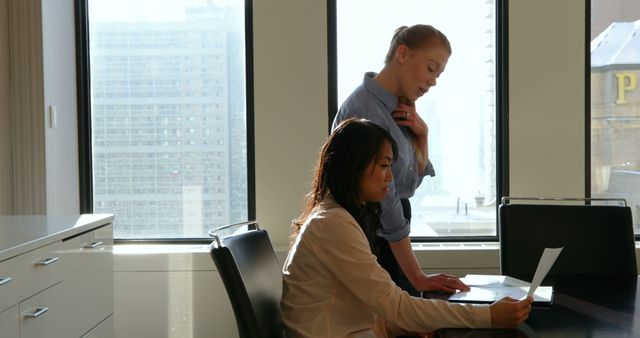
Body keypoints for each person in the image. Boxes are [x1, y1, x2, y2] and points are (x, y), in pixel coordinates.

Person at [281, 118, 532, 337]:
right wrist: (487, 317)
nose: (389, 177)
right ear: (354, 165)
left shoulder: (334, 218)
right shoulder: (332, 224)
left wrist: (398, 327)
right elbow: (396, 306)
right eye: (383, 165)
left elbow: (362, 306)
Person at [332, 24, 464, 296]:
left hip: (388, 239)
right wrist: (417, 276)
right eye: (430, 68)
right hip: (372, 240)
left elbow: (407, 188)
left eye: (438, 74)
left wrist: (423, 136)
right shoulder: (364, 110)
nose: (433, 81)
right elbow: (388, 201)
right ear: (402, 54)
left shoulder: (398, 110)